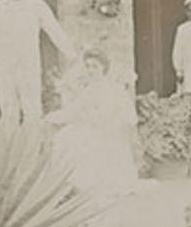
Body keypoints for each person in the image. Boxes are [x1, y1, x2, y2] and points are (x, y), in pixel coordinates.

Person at [0, 0, 74, 122]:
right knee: (9, 111)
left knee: (32, 110)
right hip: (5, 67)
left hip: (28, 65)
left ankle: (34, 146)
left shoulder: (37, 5)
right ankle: (14, 146)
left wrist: (72, 54)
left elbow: (55, 31)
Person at [47, 49, 139, 198]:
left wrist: (95, 120)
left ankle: (86, 184)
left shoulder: (112, 89)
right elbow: (75, 111)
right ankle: (67, 187)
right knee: (63, 138)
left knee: (81, 139)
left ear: (103, 68)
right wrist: (54, 117)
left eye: (95, 66)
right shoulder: (88, 89)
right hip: (91, 126)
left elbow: (124, 115)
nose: (91, 70)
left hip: (108, 132)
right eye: (88, 66)